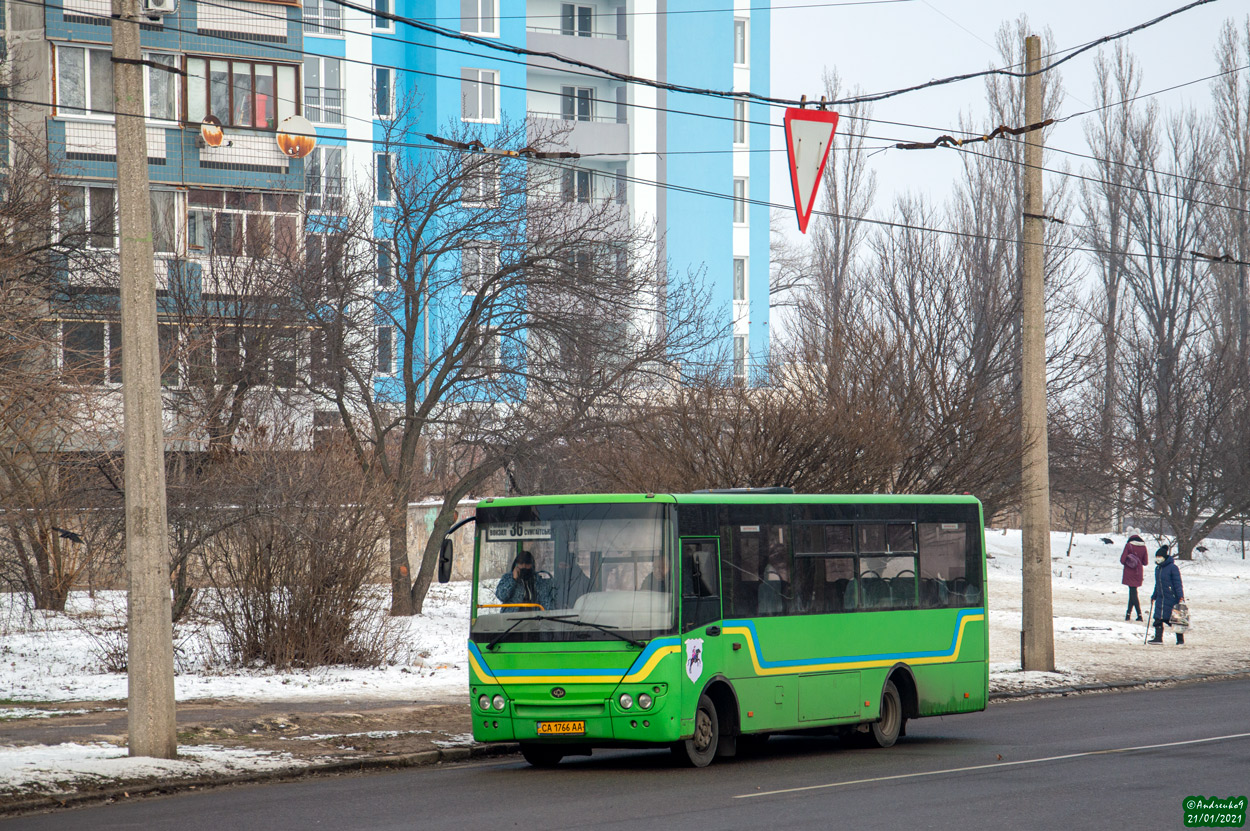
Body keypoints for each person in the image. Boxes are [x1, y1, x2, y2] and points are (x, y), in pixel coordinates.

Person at [1148, 545, 1185, 646]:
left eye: (1159, 556)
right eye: (1157, 556)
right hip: (1161, 597)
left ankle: (1180, 640)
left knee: (1173, 620)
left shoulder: (1173, 568)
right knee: (1158, 618)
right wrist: (1154, 595)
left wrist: (1180, 596)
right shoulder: (1158, 569)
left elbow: (1177, 583)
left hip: (1171, 598)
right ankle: (1158, 638)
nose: (1158, 558)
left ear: (1164, 557)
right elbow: (1158, 584)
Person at [1120, 534, 1149, 621]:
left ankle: (1139, 615)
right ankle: (1128, 614)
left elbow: (1122, 560)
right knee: (1133, 593)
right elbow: (1145, 562)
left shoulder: (1128, 546)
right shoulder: (1144, 547)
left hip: (1129, 572)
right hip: (1138, 572)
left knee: (1133, 594)